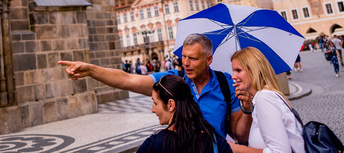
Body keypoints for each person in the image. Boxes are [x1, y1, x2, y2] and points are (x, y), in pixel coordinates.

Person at [58, 33, 252, 142]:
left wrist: (247, 111)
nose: (186, 63)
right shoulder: (173, 81)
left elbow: (239, 134)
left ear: (209, 59)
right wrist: (91, 70)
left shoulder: (226, 84)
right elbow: (128, 80)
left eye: (192, 58)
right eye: (183, 56)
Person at [228, 47, 304, 153]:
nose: (233, 76)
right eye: (233, 71)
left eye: (238, 70)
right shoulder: (262, 97)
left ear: (254, 70)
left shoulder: (264, 98)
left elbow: (280, 151)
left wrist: (237, 149)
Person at [136, 74, 232, 153]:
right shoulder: (215, 141)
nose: (153, 109)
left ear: (171, 105)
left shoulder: (154, 144)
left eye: (155, 103)